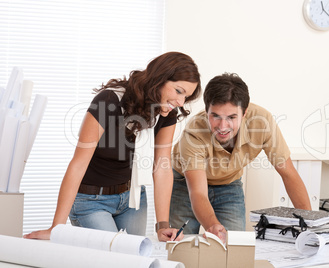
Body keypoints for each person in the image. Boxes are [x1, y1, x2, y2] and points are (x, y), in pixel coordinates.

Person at [24, 52, 202, 242]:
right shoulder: (109, 101)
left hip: (132, 199)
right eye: (179, 91)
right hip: (91, 201)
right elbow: (78, 164)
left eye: (187, 97)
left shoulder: (167, 114)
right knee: (113, 258)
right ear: (160, 79)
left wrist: (162, 226)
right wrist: (56, 228)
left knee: (134, 258)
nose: (180, 102)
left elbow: (162, 168)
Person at [170, 73, 311, 243]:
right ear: (206, 111)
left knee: (234, 245)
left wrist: (310, 225)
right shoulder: (193, 133)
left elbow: (288, 174)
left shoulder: (262, 122)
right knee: (180, 245)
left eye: (231, 117)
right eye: (215, 116)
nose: (223, 127)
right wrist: (213, 225)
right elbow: (198, 193)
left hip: (229, 183)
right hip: (185, 184)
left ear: (244, 113)